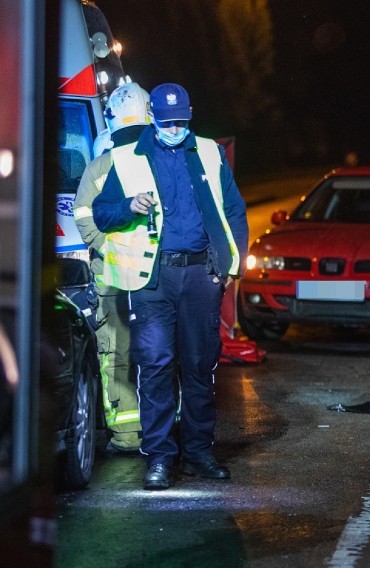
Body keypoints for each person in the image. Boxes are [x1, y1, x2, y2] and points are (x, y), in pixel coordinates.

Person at [92, 83, 249, 490]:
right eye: (167, 122)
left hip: (201, 275)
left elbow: (233, 209)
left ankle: (198, 453)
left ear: (190, 115)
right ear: (153, 119)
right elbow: (101, 214)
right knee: (157, 364)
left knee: (199, 366)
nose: (175, 128)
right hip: (153, 279)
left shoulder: (210, 151)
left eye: (181, 121)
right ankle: (160, 457)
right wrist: (129, 206)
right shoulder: (125, 159)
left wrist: (233, 264)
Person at [73, 81, 150, 455]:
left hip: (114, 276)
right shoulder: (161, 160)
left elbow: (83, 217)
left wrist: (106, 249)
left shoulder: (101, 164)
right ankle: (164, 429)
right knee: (159, 352)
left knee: (116, 354)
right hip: (156, 277)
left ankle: (125, 435)